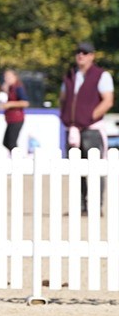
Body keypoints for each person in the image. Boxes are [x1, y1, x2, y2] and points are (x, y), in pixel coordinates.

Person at [60, 41, 113, 212]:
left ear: (92, 56)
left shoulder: (101, 75)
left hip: (91, 129)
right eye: (78, 52)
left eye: (85, 53)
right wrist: (66, 116)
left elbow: (107, 101)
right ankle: (80, 205)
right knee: (75, 169)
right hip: (73, 130)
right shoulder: (70, 75)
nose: (80, 55)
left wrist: (89, 116)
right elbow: (63, 98)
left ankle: (96, 205)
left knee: (95, 168)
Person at [0, 68, 29, 155]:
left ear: (15, 77)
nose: (6, 79)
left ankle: (18, 158)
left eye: (8, 77)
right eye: (5, 77)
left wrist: (9, 104)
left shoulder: (18, 87)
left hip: (17, 118)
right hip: (10, 118)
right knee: (6, 142)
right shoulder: (10, 88)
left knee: (11, 142)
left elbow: (25, 103)